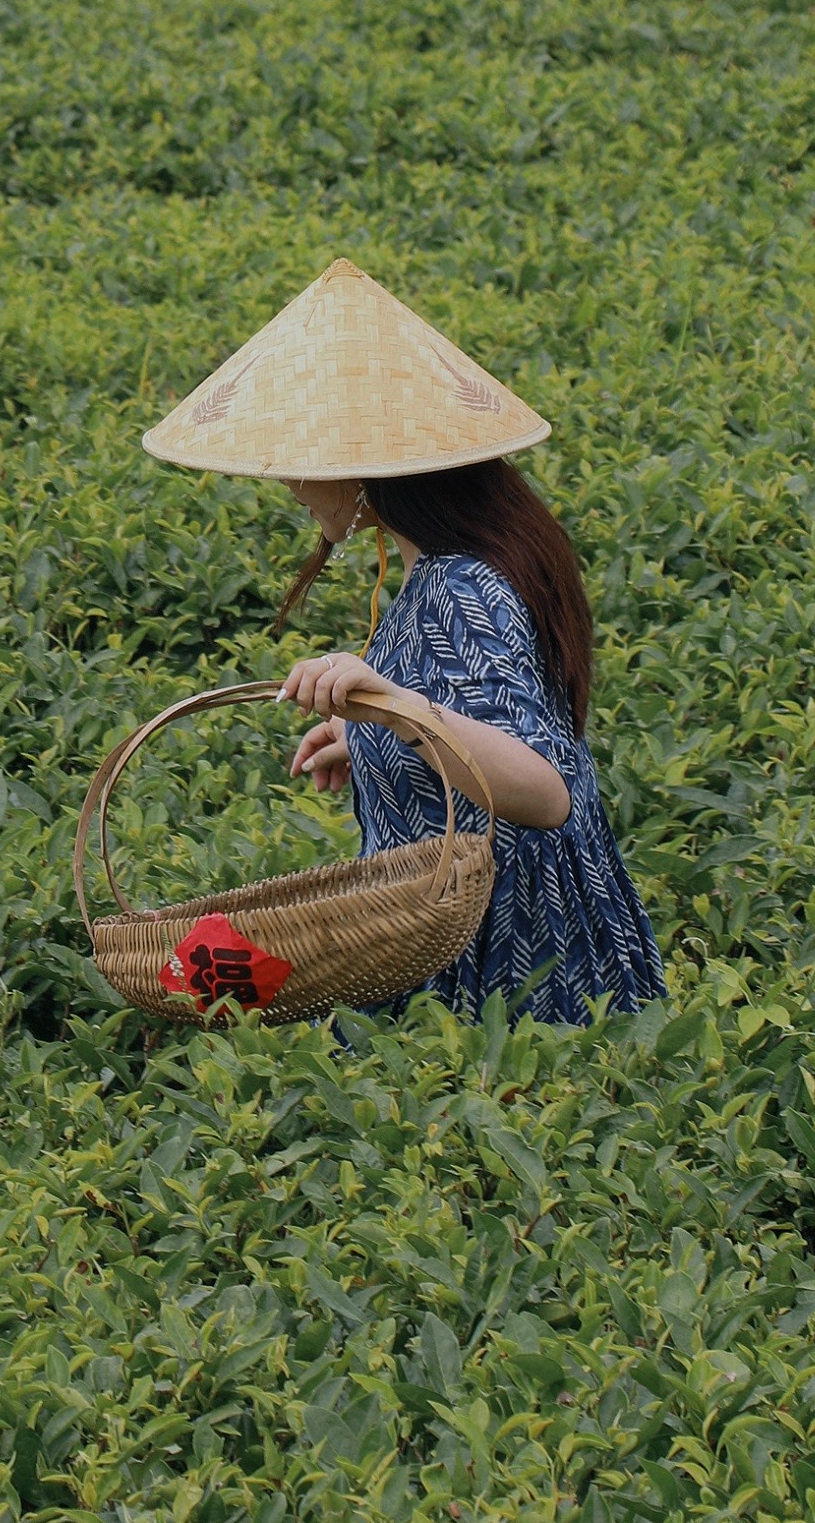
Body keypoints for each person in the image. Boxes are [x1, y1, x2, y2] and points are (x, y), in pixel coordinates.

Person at [142, 257, 664, 1024]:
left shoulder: (460, 586)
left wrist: (393, 708)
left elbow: (543, 789)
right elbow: (483, 720)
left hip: (508, 968)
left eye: (305, 460)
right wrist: (372, 740)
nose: (287, 481)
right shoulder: (461, 564)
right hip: (501, 937)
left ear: (371, 471)